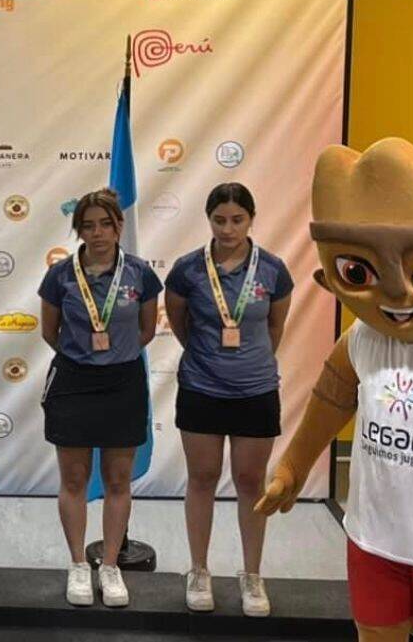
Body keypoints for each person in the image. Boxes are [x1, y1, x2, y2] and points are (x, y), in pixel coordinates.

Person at [258, 138, 413, 642]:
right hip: (373, 540)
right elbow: (326, 407)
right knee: (375, 635)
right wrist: (292, 468)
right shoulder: (361, 340)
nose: (397, 296)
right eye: (357, 273)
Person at [163, 182, 293, 616]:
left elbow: (274, 329)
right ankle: (199, 570)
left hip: (256, 391)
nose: (228, 229)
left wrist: (250, 364)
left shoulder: (274, 269)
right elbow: (179, 323)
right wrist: (206, 357)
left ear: (251, 219)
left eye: (237, 220)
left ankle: (252, 574)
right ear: (209, 220)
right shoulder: (187, 270)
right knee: (201, 479)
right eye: (219, 220)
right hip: (201, 388)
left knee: (251, 483)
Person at [38, 189, 161, 607]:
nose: (98, 233)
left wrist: (114, 354)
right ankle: (77, 564)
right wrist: (85, 356)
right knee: (73, 480)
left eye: (105, 224)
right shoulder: (60, 275)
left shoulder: (140, 274)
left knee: (117, 481)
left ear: (118, 226)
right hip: (73, 382)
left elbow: (146, 330)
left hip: (123, 383)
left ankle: (109, 567)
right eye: (88, 225)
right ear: (79, 230)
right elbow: (48, 331)